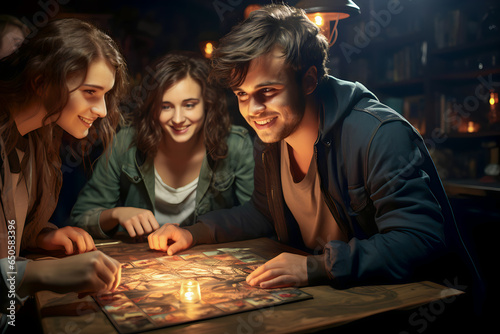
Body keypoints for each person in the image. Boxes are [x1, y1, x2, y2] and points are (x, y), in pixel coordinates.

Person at [151, 4, 474, 291]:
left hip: (422, 304)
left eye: (268, 90)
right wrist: (195, 233)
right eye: (242, 94)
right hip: (344, 300)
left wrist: (316, 267)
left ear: (308, 80)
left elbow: (420, 239)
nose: (253, 110)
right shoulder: (270, 138)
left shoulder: (378, 134)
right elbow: (263, 214)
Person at [0, 18, 128, 330]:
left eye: (104, 94)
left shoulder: (33, 139)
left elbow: (8, 235)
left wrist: (42, 235)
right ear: (41, 81)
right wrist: (40, 274)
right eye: (89, 92)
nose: (100, 109)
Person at [70, 51, 254, 244]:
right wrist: (116, 214)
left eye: (189, 105)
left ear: (207, 104)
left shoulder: (236, 145)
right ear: (153, 108)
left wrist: (201, 232)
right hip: (144, 262)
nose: (178, 119)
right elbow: (79, 220)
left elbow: (257, 219)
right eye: (166, 107)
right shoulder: (125, 143)